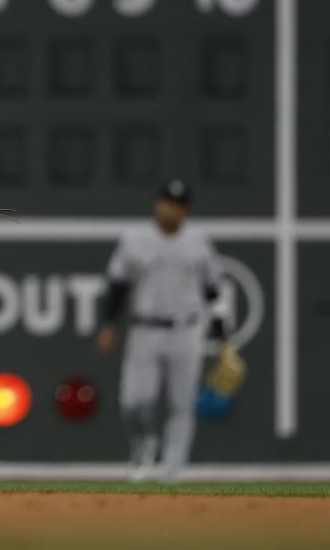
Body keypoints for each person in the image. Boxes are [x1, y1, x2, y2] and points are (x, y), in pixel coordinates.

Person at [96, 179, 229, 482]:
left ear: (187, 210)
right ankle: (144, 443)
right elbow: (118, 285)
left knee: (181, 404)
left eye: (178, 205)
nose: (171, 209)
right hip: (145, 328)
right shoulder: (134, 239)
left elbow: (214, 292)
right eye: (167, 202)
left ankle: (172, 471)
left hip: (187, 330)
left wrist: (221, 335)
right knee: (134, 400)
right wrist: (109, 324)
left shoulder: (199, 241)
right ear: (157, 204)